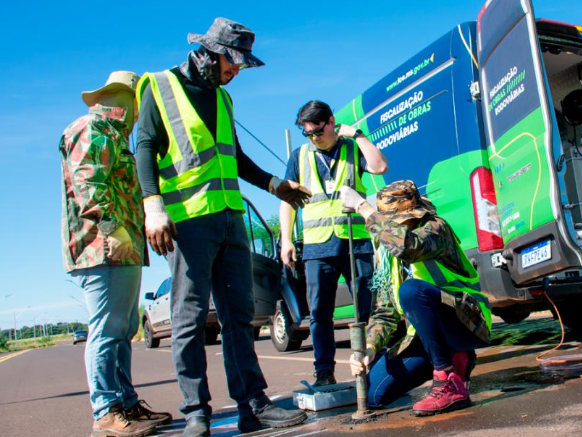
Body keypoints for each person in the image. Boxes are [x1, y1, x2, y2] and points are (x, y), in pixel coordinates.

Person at [135, 18, 310, 437]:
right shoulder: (159, 86)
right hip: (188, 223)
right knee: (189, 319)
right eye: (233, 64)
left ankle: (253, 406)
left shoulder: (223, 100)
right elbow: (143, 145)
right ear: (210, 54)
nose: (236, 73)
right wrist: (152, 207)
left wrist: (274, 185)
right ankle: (197, 412)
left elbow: (236, 158)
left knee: (240, 317)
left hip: (232, 220)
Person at [60, 71, 172, 437]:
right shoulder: (89, 128)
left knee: (123, 330)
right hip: (102, 248)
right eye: (137, 102)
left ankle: (125, 404)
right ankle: (106, 412)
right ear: (122, 99)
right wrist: (113, 228)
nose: (140, 112)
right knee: (107, 330)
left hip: (124, 248)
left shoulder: (116, 137)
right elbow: (86, 183)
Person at [341, 180, 492, 416]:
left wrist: (363, 207)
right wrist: (369, 348)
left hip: (466, 322)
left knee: (411, 290)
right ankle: (448, 360)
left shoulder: (436, 228)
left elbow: (408, 247)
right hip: (423, 337)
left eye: (397, 222)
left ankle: (447, 379)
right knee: (373, 395)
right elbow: (385, 312)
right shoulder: (387, 254)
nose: (393, 227)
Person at [279, 100, 388, 386]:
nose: (314, 137)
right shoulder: (299, 156)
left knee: (368, 308)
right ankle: (324, 372)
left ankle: (374, 366)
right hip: (317, 247)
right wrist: (286, 239)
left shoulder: (353, 148)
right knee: (319, 314)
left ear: (331, 122)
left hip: (357, 244)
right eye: (308, 133)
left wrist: (359, 135)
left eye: (318, 131)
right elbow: (288, 202)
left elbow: (379, 166)